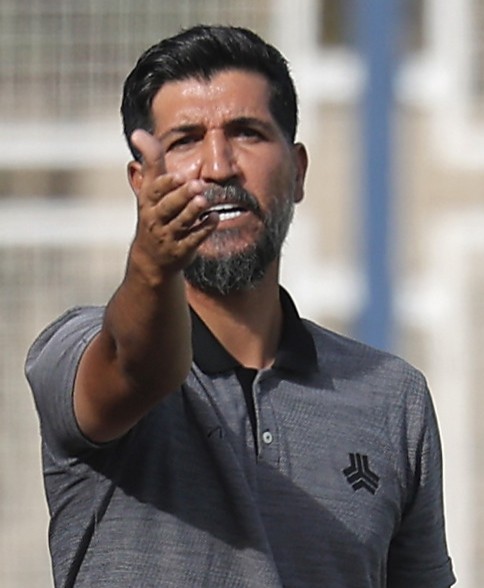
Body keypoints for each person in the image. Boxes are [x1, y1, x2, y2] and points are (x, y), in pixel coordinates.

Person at [26, 24, 455, 588]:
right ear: (141, 182)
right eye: (185, 141)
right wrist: (153, 264)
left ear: (298, 171)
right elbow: (135, 368)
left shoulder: (392, 398)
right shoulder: (75, 351)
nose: (219, 166)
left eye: (247, 133)